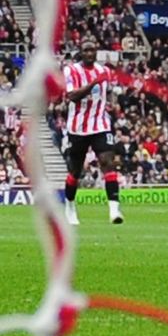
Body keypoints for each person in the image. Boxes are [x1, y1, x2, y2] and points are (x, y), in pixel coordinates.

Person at [58, 49, 123, 226]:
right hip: (77, 127)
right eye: (86, 50)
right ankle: (70, 206)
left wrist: (112, 101)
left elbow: (110, 91)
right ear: (81, 53)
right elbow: (72, 96)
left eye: (92, 50)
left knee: (107, 162)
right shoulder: (71, 70)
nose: (89, 53)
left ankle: (114, 209)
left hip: (100, 125)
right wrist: (94, 83)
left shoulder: (104, 71)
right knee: (75, 171)